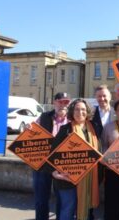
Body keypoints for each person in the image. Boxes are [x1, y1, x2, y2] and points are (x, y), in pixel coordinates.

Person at [51, 99, 101, 220]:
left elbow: (97, 152)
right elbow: (52, 153)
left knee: (86, 210)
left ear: (87, 111)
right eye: (77, 109)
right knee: (68, 209)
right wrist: (54, 172)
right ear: (72, 112)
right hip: (68, 178)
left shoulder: (94, 128)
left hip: (89, 178)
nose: (80, 112)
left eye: (83, 109)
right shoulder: (65, 130)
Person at [33, 92, 70, 220]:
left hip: (61, 166)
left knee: (62, 200)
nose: (63, 105)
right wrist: (28, 129)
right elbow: (31, 133)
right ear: (54, 102)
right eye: (60, 101)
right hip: (42, 165)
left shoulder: (72, 120)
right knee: (41, 200)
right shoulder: (43, 117)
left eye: (66, 102)